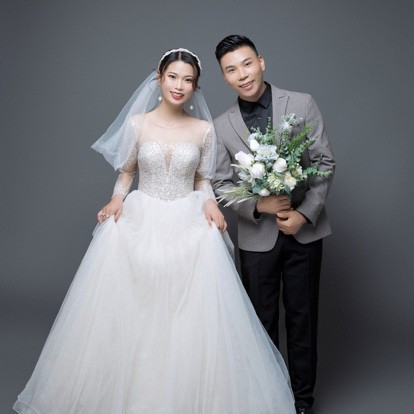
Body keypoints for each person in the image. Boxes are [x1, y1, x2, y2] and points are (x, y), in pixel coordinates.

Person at [13, 48, 295, 413]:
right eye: (173, 77)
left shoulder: (203, 130)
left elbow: (203, 179)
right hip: (143, 215)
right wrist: (117, 199)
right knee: (136, 307)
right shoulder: (138, 124)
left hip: (187, 218)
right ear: (159, 78)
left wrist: (210, 202)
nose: (179, 85)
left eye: (188, 80)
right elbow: (127, 171)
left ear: (196, 87)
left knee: (190, 310)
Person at [213, 35, 336, 414]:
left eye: (247, 64)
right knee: (260, 323)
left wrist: (304, 214)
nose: (242, 75)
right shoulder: (221, 126)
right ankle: (268, 400)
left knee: (302, 320)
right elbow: (220, 185)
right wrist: (258, 205)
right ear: (224, 77)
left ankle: (302, 402)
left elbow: (324, 162)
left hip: (304, 232)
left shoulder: (300, 103)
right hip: (256, 238)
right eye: (231, 70)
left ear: (261, 62)